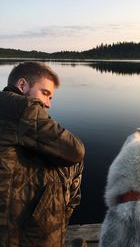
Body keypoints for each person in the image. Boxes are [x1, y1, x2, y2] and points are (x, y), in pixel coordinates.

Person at [0, 61, 85, 247]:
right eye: (44, 94)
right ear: (22, 85)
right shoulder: (21, 107)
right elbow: (76, 150)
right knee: (73, 163)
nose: (47, 104)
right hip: (20, 233)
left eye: (51, 98)